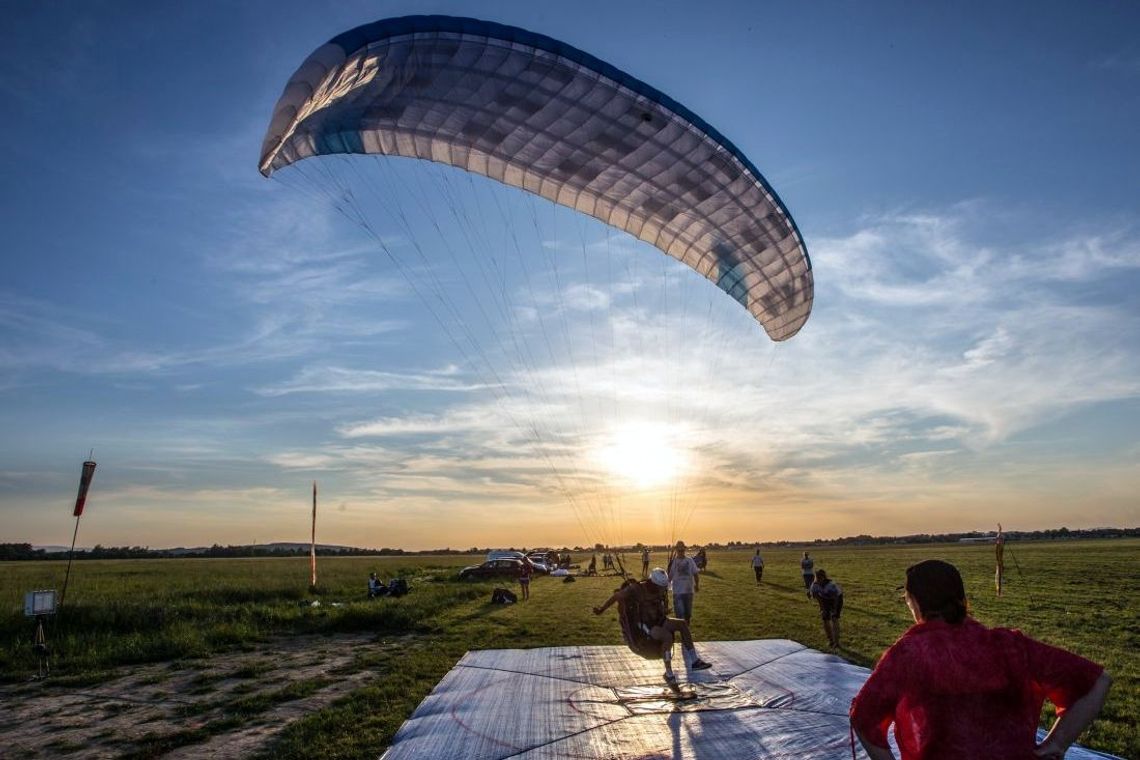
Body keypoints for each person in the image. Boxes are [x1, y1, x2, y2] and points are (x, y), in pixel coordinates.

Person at [850, 559, 1111, 760]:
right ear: (962, 599)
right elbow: (1099, 681)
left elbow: (863, 718)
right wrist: (1057, 744)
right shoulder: (1010, 646)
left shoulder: (907, 655)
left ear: (915, 603)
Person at [593, 567, 712, 685]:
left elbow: (659, 606)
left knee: (682, 624)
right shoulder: (636, 589)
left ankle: (695, 661)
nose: (662, 590)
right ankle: (669, 674)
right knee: (667, 637)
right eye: (661, 587)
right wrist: (601, 609)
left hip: (659, 620)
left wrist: (664, 610)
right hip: (646, 626)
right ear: (653, 584)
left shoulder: (660, 590)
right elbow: (617, 596)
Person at [809, 569, 844, 648]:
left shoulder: (831, 585)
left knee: (834, 618)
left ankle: (836, 642)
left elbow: (836, 598)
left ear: (824, 577)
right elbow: (817, 597)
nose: (817, 579)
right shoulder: (814, 585)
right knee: (825, 618)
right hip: (824, 599)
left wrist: (834, 610)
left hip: (836, 599)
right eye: (816, 577)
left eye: (819, 577)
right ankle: (831, 640)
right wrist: (822, 608)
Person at [667, 541, 700, 624]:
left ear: (684, 550)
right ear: (676, 551)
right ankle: (683, 632)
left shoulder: (690, 560)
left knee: (688, 614)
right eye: (679, 550)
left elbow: (695, 573)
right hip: (677, 592)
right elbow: (669, 577)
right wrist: (665, 586)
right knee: (679, 615)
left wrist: (697, 585)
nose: (681, 552)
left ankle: (686, 629)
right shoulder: (673, 562)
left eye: (682, 550)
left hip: (688, 591)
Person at [995, 523, 1006, 596]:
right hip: (999, 564)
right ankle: (999, 592)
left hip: (1000, 563)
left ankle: (999, 592)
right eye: (1000, 539)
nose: (1001, 540)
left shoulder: (1001, 546)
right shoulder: (998, 546)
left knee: (1000, 577)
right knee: (999, 577)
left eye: (1002, 539)